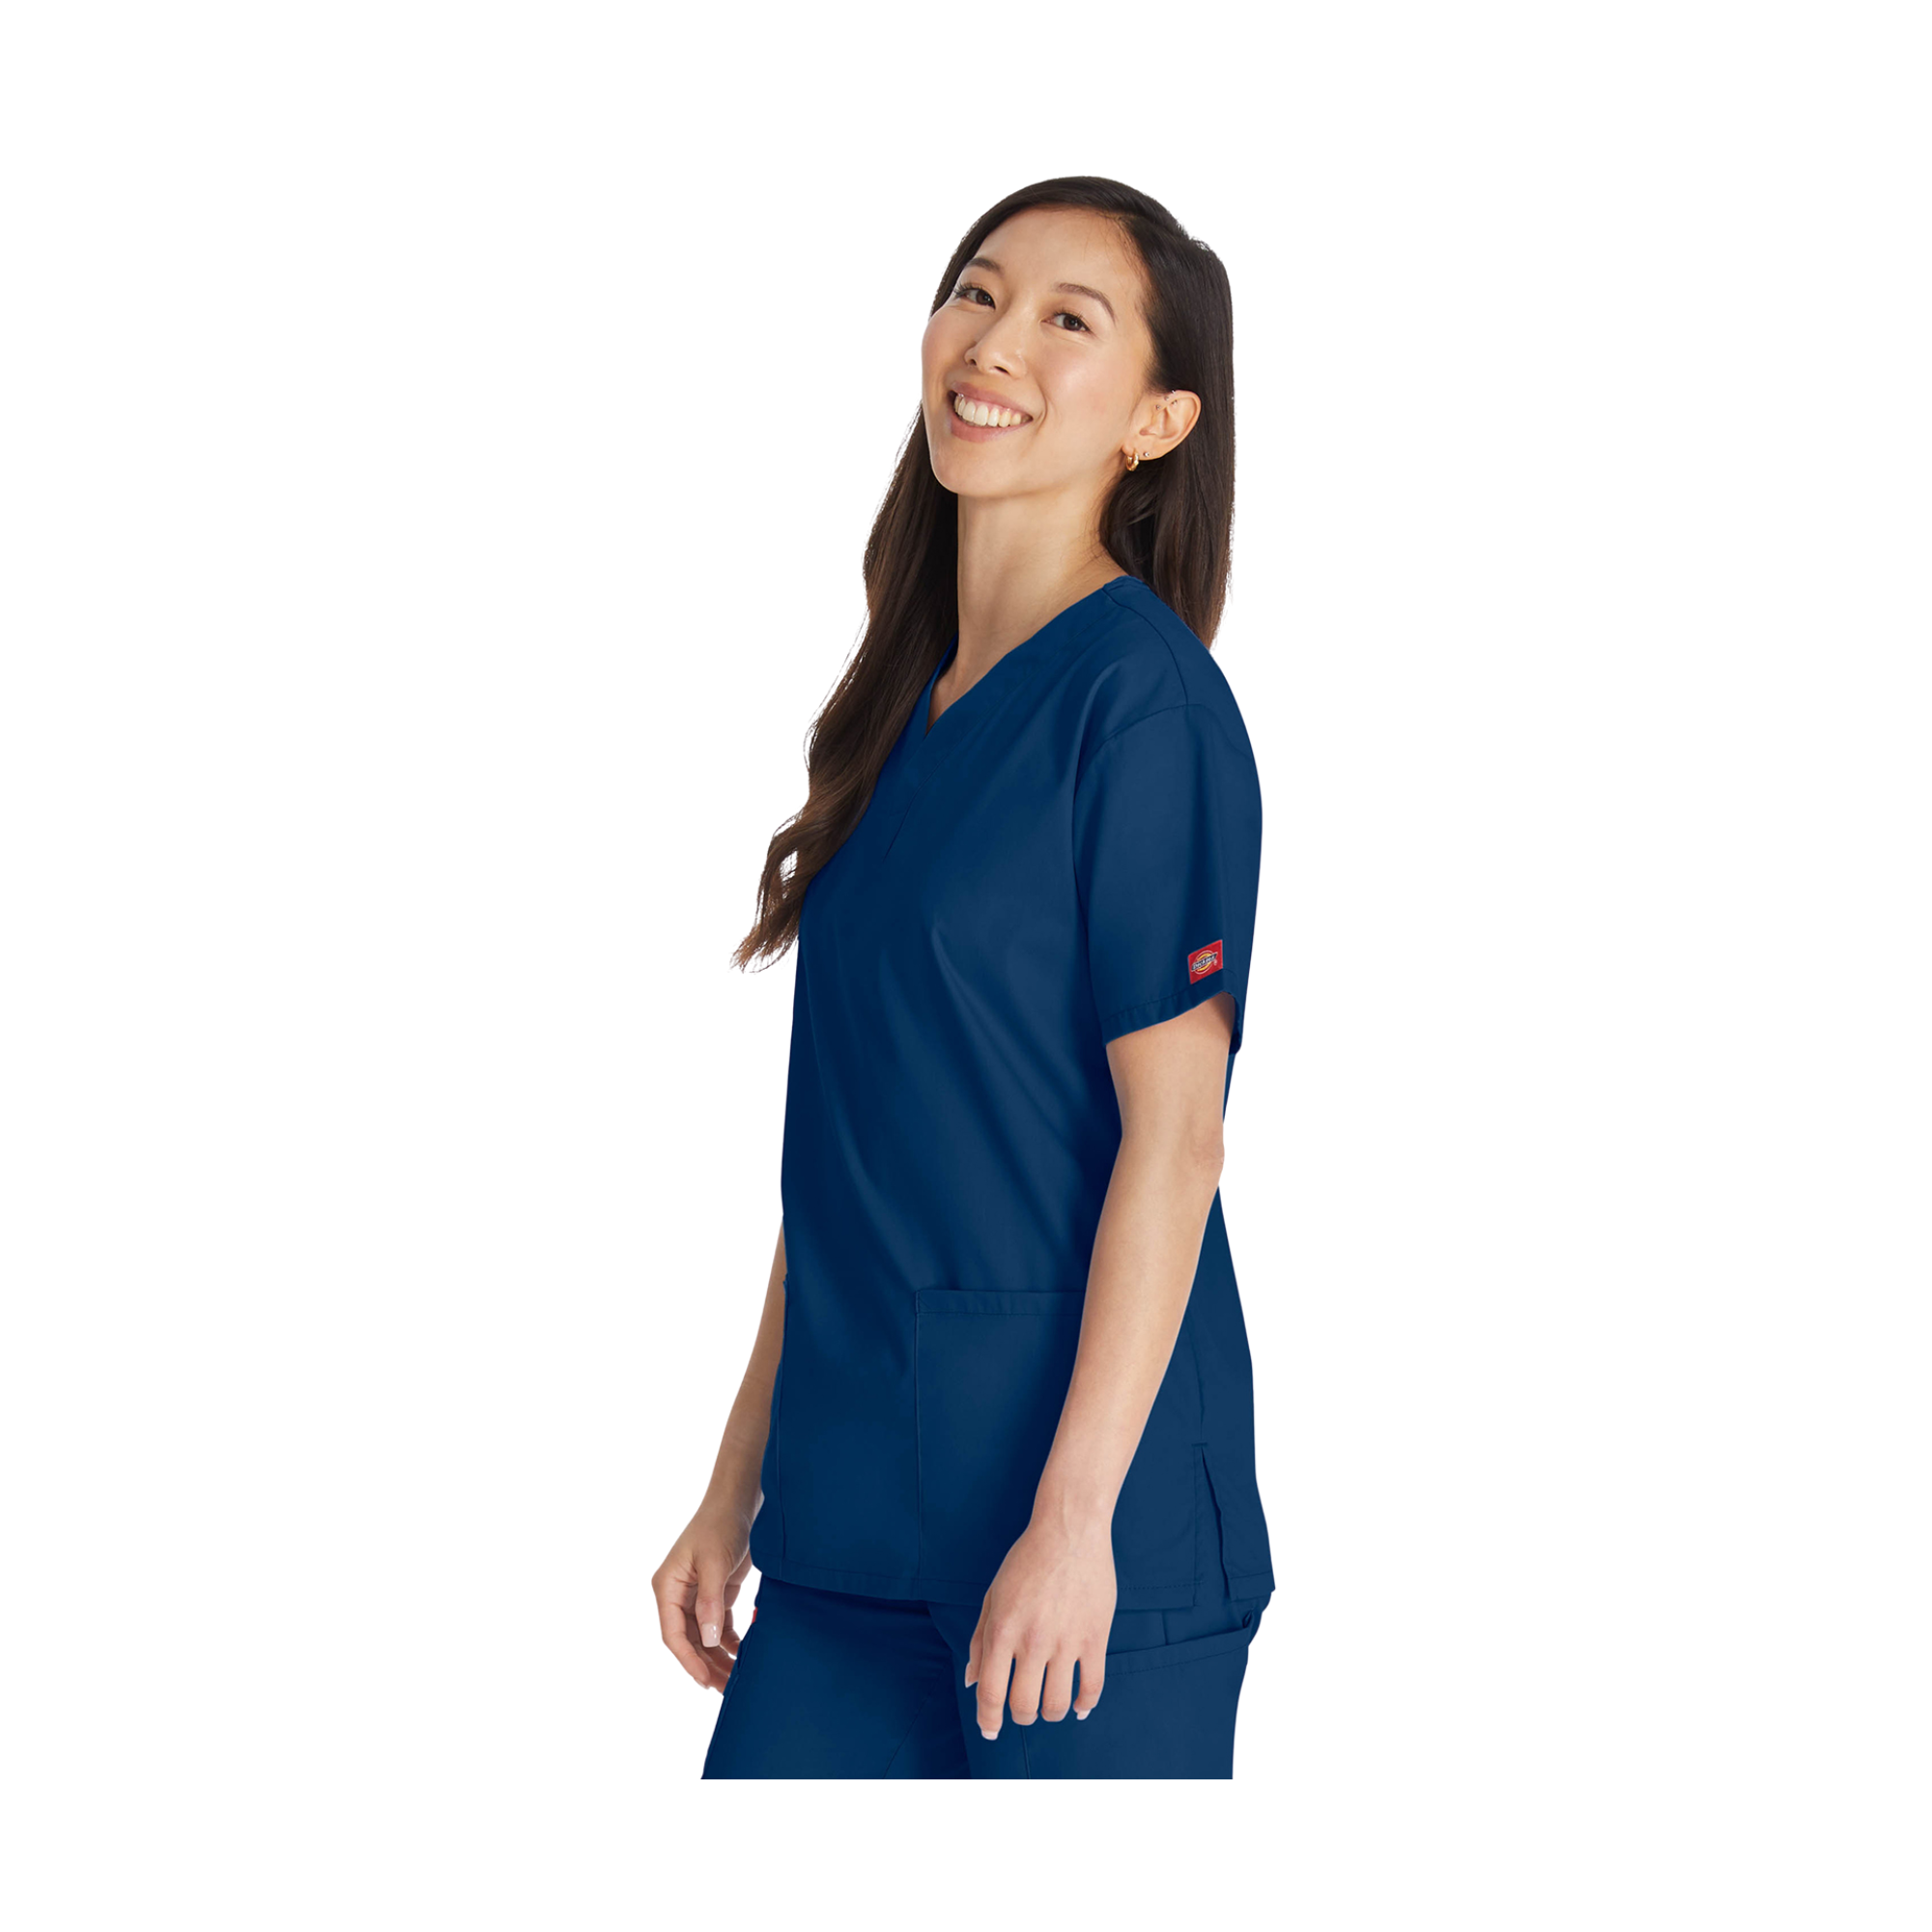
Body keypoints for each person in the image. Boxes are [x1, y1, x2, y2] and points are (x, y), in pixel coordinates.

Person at [653, 176, 1277, 1778]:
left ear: (1157, 422)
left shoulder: (1142, 709)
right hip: (847, 1523)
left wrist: (1074, 1524)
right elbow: (851, 1156)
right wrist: (736, 1481)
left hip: (1088, 1548)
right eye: (977, 292)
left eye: (1069, 319)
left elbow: (1178, 1143)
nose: (994, 341)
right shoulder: (896, 712)